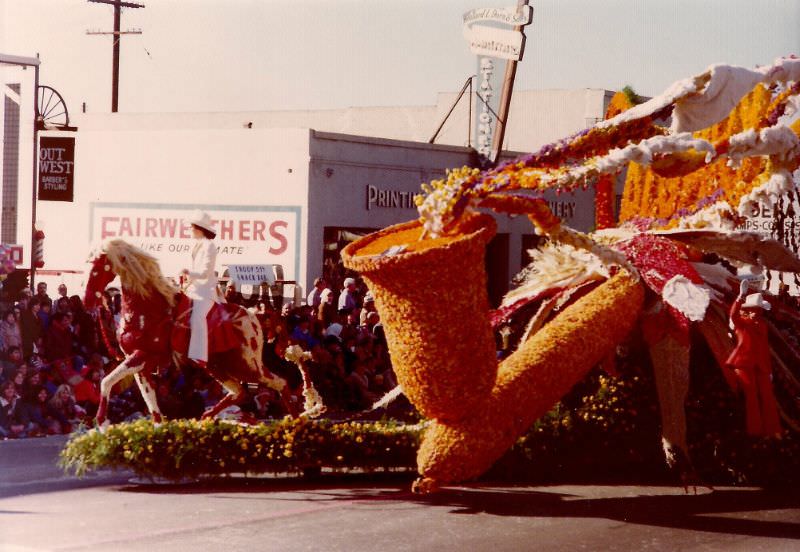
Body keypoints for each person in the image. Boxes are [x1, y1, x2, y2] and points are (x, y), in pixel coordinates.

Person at [724, 280, 782, 437]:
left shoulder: (762, 325)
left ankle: (773, 429)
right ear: (747, 310)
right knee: (751, 397)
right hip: (743, 363)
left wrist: (769, 370)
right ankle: (755, 431)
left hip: (761, 364)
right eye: (753, 309)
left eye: (759, 309)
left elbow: (764, 348)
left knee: (767, 396)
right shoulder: (740, 323)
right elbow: (733, 314)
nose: (756, 312)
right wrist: (740, 297)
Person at [180, 210, 219, 364]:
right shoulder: (195, 246)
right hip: (191, 290)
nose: (189, 231)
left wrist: (188, 272)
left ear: (198, 228)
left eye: (190, 228)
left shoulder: (210, 246)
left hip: (205, 292)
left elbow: (205, 272)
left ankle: (200, 356)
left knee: (198, 317)